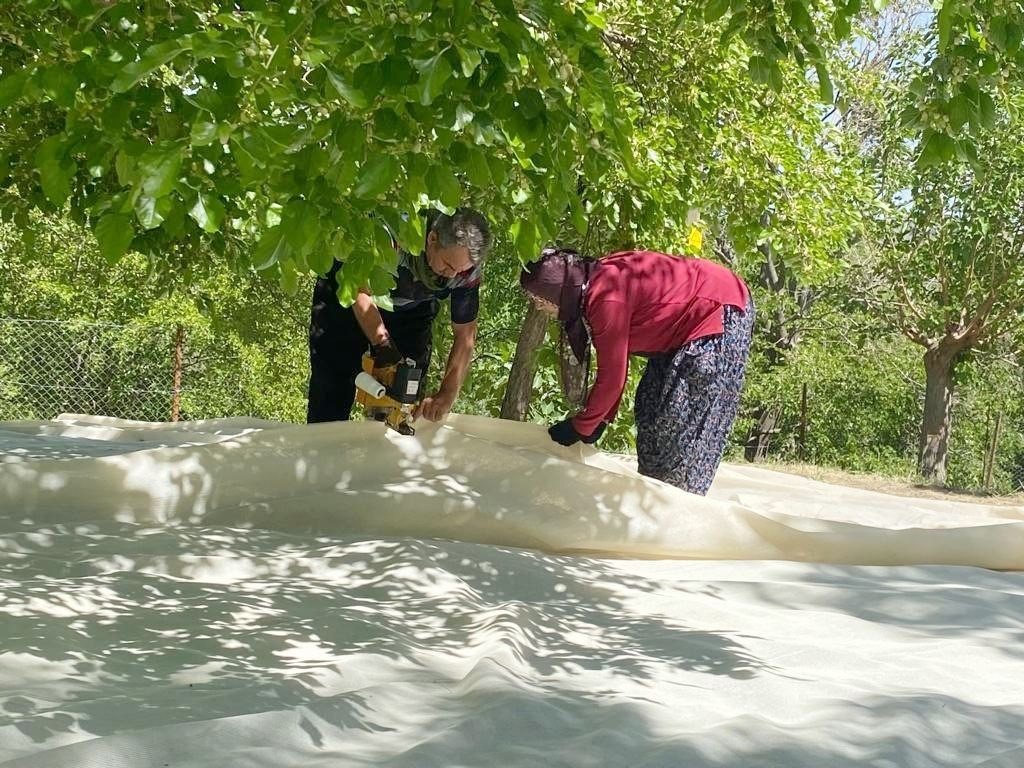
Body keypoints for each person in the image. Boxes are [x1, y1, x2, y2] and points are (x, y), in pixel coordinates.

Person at [519, 247, 754, 495]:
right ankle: (653, 495)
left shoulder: (606, 297)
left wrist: (580, 427)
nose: (540, 308)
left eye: (540, 300)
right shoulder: (594, 285)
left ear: (558, 291)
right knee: (650, 410)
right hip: (679, 331)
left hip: (719, 309)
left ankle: (675, 505)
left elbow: (612, 377)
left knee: (680, 421)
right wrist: (601, 419)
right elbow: (616, 361)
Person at [308, 208, 492, 424]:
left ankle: (392, 436)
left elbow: (465, 333)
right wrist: (384, 346)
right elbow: (358, 291)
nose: (452, 275)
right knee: (332, 386)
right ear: (432, 239)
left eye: (460, 271)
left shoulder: (466, 268)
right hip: (349, 296)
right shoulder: (392, 233)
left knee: (404, 394)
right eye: (448, 265)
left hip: (412, 310)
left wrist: (448, 392)